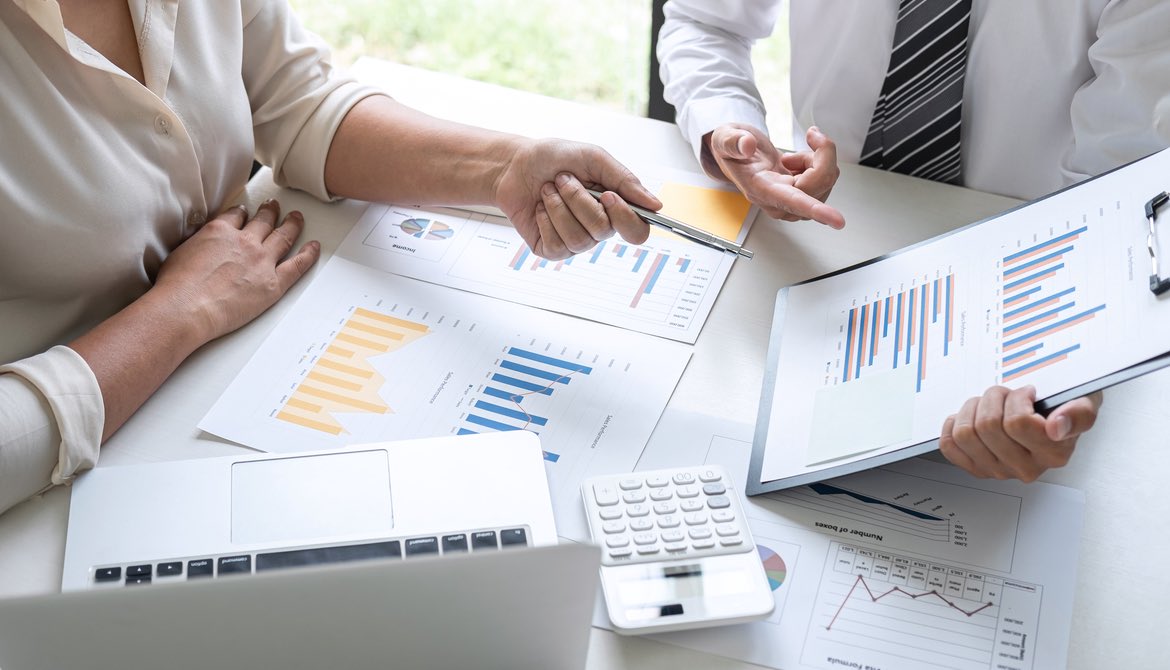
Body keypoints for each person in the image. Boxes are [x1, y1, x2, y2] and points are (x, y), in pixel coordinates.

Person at [0, 0, 663, 515]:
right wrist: (181, 313)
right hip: (62, 486)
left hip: (228, 383)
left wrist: (503, 168)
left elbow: (300, 106)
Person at [657, 0, 1170, 482]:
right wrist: (730, 127)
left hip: (1033, 271)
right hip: (817, 244)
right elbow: (706, 23)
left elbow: (1123, 179)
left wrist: (1078, 357)